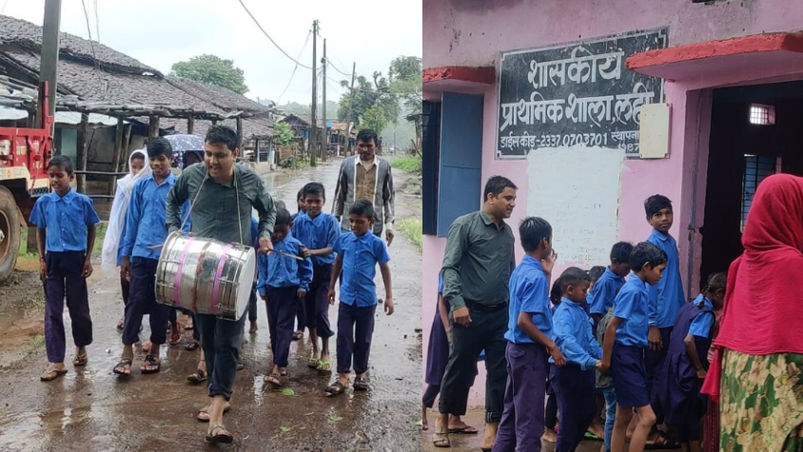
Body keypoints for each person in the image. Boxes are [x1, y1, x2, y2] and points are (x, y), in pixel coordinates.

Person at [166, 125, 276, 444]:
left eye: (220, 156)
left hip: (235, 272)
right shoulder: (192, 176)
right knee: (209, 338)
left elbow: (268, 210)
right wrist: (174, 230)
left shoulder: (249, 180)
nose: (212, 162)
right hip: (198, 269)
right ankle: (220, 395)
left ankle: (216, 414)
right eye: (208, 154)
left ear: (235, 154)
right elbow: (172, 202)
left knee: (228, 340)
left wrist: (265, 234)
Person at [702, 174, 803, 452]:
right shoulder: (793, 263)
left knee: (742, 437)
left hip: (737, 368)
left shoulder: (739, 264)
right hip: (779, 371)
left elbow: (729, 321)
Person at [434, 175, 517, 451]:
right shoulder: (465, 225)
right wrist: (457, 303)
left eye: (514, 199)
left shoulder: (507, 234)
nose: (512, 204)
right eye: (507, 198)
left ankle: (491, 430)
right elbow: (450, 268)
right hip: (468, 312)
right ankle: (443, 422)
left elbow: (511, 273)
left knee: (499, 372)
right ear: (490, 197)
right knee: (458, 367)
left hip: (499, 315)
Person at [491, 217, 563, 452]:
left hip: (515, 350)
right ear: (545, 242)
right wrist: (551, 345)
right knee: (530, 422)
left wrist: (548, 274)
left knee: (512, 414)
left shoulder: (521, 271)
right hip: (528, 352)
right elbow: (525, 321)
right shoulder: (534, 277)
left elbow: (536, 307)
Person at [113, 138, 179, 376]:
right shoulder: (141, 187)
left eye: (161, 159)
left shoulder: (178, 187)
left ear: (170, 159)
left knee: (161, 303)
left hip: (167, 255)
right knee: (135, 301)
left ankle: (155, 351)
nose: (157, 164)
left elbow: (187, 222)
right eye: (153, 159)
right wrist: (126, 255)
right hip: (141, 252)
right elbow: (131, 222)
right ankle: (127, 351)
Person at [30, 155, 100, 381]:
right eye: (51, 176)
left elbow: (92, 229)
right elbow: (40, 230)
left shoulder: (82, 202)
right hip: (53, 260)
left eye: (59, 175)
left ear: (71, 177)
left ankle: (81, 346)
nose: (54, 180)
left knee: (78, 307)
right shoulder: (43, 203)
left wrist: (88, 258)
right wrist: (42, 259)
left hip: (76, 259)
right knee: (53, 311)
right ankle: (57, 361)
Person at [600, 241, 667, 452]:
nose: (661, 275)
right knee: (648, 418)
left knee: (624, 415)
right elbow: (612, 326)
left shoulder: (640, 288)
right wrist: (607, 360)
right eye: (660, 270)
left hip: (635, 355)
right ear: (646, 267)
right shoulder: (632, 291)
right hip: (625, 357)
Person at [325, 200, 393, 395]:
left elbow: (385, 268)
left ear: (370, 222)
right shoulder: (344, 239)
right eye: (352, 221)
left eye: (359, 222)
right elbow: (337, 262)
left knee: (363, 339)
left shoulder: (377, 244)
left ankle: (361, 373)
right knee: (344, 336)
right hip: (346, 299)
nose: (354, 225)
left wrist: (389, 296)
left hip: (366, 300)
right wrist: (331, 287)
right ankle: (342, 376)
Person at [657, 272, 725, 452]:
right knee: (692, 418)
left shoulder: (688, 307)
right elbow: (689, 341)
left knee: (683, 420)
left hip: (674, 366)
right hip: (687, 371)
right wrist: (699, 368)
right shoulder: (706, 314)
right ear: (719, 293)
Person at [258, 208, 312, 388]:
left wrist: (304, 285)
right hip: (272, 290)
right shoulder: (267, 247)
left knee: (284, 327)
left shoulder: (296, 246)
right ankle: (279, 361)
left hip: (290, 291)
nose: (277, 234)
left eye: (281, 230)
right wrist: (261, 286)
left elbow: (306, 268)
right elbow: (263, 267)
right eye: (274, 230)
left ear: (291, 225)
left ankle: (277, 366)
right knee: (274, 327)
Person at [643, 194, 685, 433]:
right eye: (658, 215)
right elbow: (650, 288)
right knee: (654, 374)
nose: (664, 218)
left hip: (673, 318)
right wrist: (652, 324)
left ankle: (659, 423)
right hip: (658, 323)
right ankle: (648, 427)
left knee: (667, 373)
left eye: (668, 213)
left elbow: (672, 282)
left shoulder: (670, 242)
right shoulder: (652, 247)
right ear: (649, 219)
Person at [550, 267, 602, 452]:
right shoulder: (563, 313)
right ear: (570, 290)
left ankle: (569, 447)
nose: (586, 295)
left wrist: (602, 356)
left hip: (584, 371)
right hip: (566, 371)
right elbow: (566, 342)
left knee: (588, 412)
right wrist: (592, 361)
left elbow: (589, 340)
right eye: (584, 290)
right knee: (568, 417)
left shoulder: (580, 310)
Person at [291, 182, 340, 372]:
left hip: (325, 270)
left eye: (317, 201)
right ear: (303, 201)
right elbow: (293, 243)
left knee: (321, 311)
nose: (313, 205)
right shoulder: (298, 222)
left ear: (324, 201)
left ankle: (326, 349)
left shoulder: (330, 221)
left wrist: (312, 252)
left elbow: (333, 247)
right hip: (305, 272)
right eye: (309, 201)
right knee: (308, 311)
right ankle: (314, 348)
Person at [422, 274, 479, 434]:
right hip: (446, 324)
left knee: (467, 373)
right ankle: (424, 408)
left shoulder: (473, 267)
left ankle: (456, 418)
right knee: (441, 372)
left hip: (466, 324)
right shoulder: (449, 271)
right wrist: (448, 331)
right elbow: (442, 303)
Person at [101, 149, 150, 331]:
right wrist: (113, 239)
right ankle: (129, 314)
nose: (136, 171)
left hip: (144, 238)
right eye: (134, 167)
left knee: (147, 280)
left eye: (141, 167)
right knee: (125, 276)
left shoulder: (150, 186)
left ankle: (155, 318)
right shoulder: (124, 184)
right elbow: (115, 215)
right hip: (125, 236)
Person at [332, 129, 395, 244]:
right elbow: (339, 195)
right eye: (361, 146)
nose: (365, 149)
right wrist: (334, 220)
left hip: (374, 227)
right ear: (356, 146)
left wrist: (389, 225)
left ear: (376, 146)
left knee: (368, 260)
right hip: (349, 226)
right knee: (347, 259)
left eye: (369, 146)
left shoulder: (384, 167)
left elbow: (388, 198)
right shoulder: (347, 165)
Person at [588, 242, 633, 324]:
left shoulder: (620, 278)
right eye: (626, 268)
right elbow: (595, 313)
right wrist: (604, 330)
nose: (629, 271)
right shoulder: (604, 282)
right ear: (615, 261)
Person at [596, 305, 617, 452]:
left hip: (604, 373)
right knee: (613, 414)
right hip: (609, 373)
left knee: (612, 413)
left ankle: (608, 446)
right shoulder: (612, 321)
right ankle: (608, 447)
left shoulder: (607, 317)